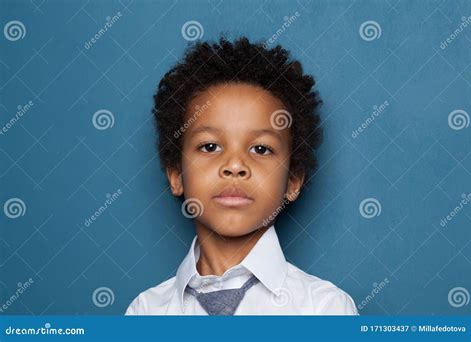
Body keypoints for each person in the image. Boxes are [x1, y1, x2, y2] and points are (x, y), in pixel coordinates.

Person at [125, 37, 358, 315]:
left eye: (261, 148)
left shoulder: (324, 309)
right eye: (210, 146)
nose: (235, 165)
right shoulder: (146, 312)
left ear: (293, 181)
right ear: (176, 174)